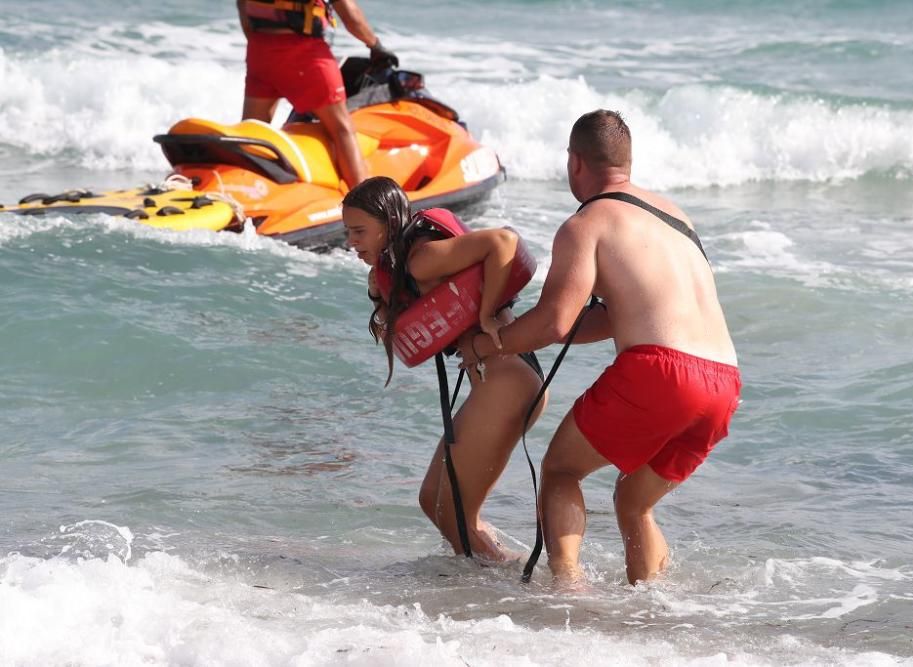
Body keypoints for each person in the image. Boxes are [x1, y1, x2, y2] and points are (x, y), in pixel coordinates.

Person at [457, 110, 741, 585]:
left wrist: (490, 343)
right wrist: (519, 332)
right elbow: (609, 317)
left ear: (575, 163)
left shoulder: (587, 222)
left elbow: (555, 320)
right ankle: (651, 609)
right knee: (634, 501)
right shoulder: (675, 215)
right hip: (724, 380)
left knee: (561, 470)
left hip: (661, 372)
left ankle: (568, 590)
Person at [342, 176, 548, 562]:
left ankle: (508, 592)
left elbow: (501, 242)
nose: (351, 242)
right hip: (500, 382)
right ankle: (500, 579)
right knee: (433, 501)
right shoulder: (402, 264)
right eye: (348, 233)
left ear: (388, 224)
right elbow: (397, 326)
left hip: (507, 381)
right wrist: (377, 290)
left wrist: (486, 314)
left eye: (359, 231)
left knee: (453, 513)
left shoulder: (421, 259)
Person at [236, 0, 398, 188]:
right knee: (342, 130)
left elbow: (243, 7)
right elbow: (351, 17)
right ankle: (366, 205)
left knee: (252, 130)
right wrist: (376, 46)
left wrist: (261, 43)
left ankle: (240, 189)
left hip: (260, 50)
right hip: (305, 54)